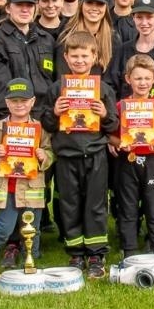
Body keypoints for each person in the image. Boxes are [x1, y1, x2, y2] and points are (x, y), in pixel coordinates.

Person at [50, 30, 119, 277]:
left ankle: (96, 253)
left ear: (94, 57)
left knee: (96, 204)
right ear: (66, 58)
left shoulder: (104, 90)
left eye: (85, 56)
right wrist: (55, 113)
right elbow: (46, 124)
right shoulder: (57, 88)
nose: (80, 61)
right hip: (67, 156)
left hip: (96, 154)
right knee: (70, 204)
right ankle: (76, 253)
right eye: (75, 56)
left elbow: (114, 126)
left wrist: (105, 115)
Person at [0, 78, 54, 285]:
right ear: (7, 103)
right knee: (4, 227)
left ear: (33, 102)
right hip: (7, 188)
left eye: (24, 100)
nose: (19, 105)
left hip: (32, 189)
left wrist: (43, 156)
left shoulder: (40, 129)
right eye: (14, 101)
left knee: (32, 230)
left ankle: (31, 262)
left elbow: (50, 153)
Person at [110, 53, 154, 257]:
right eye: (138, 78)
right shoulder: (120, 107)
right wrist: (121, 143)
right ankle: (129, 249)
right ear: (128, 79)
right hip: (127, 162)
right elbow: (110, 137)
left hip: (153, 161)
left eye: (147, 78)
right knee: (128, 207)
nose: (143, 83)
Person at [0, 0, 57, 121]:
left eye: (29, 5)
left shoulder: (46, 39)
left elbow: (54, 81)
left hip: (46, 118)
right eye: (19, 5)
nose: (25, 9)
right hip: (15, 119)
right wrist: (9, 118)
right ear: (8, 8)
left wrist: (51, 116)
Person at [65, 0, 118, 71]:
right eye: (89, 3)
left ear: (106, 8)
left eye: (100, 4)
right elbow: (61, 75)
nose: (94, 8)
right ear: (81, 5)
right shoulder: (67, 37)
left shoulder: (114, 38)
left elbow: (115, 75)